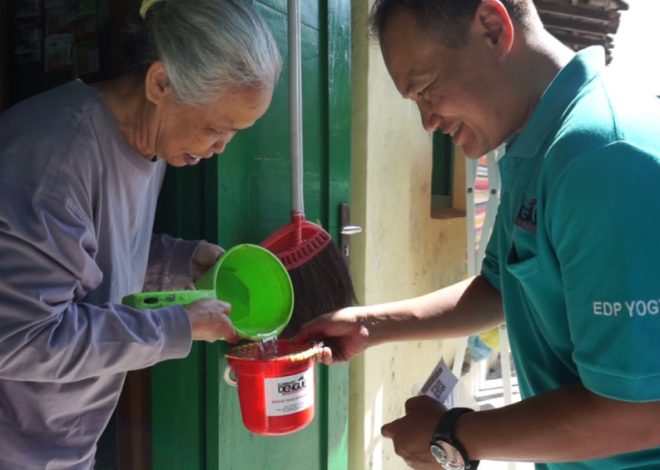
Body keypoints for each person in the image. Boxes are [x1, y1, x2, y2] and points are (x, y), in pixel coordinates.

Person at [297, 0, 660, 469]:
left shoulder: (600, 157)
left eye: (426, 89)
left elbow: (637, 411)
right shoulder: (539, 149)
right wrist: (370, 325)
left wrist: (453, 437)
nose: (427, 121)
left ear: (492, 26)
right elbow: (500, 287)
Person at [0, 0, 280, 467]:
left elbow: (87, 261)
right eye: (215, 128)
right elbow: (21, 337)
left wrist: (181, 264)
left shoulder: (150, 142)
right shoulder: (54, 159)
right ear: (160, 83)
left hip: (61, 444)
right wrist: (178, 327)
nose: (219, 149)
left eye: (234, 134)